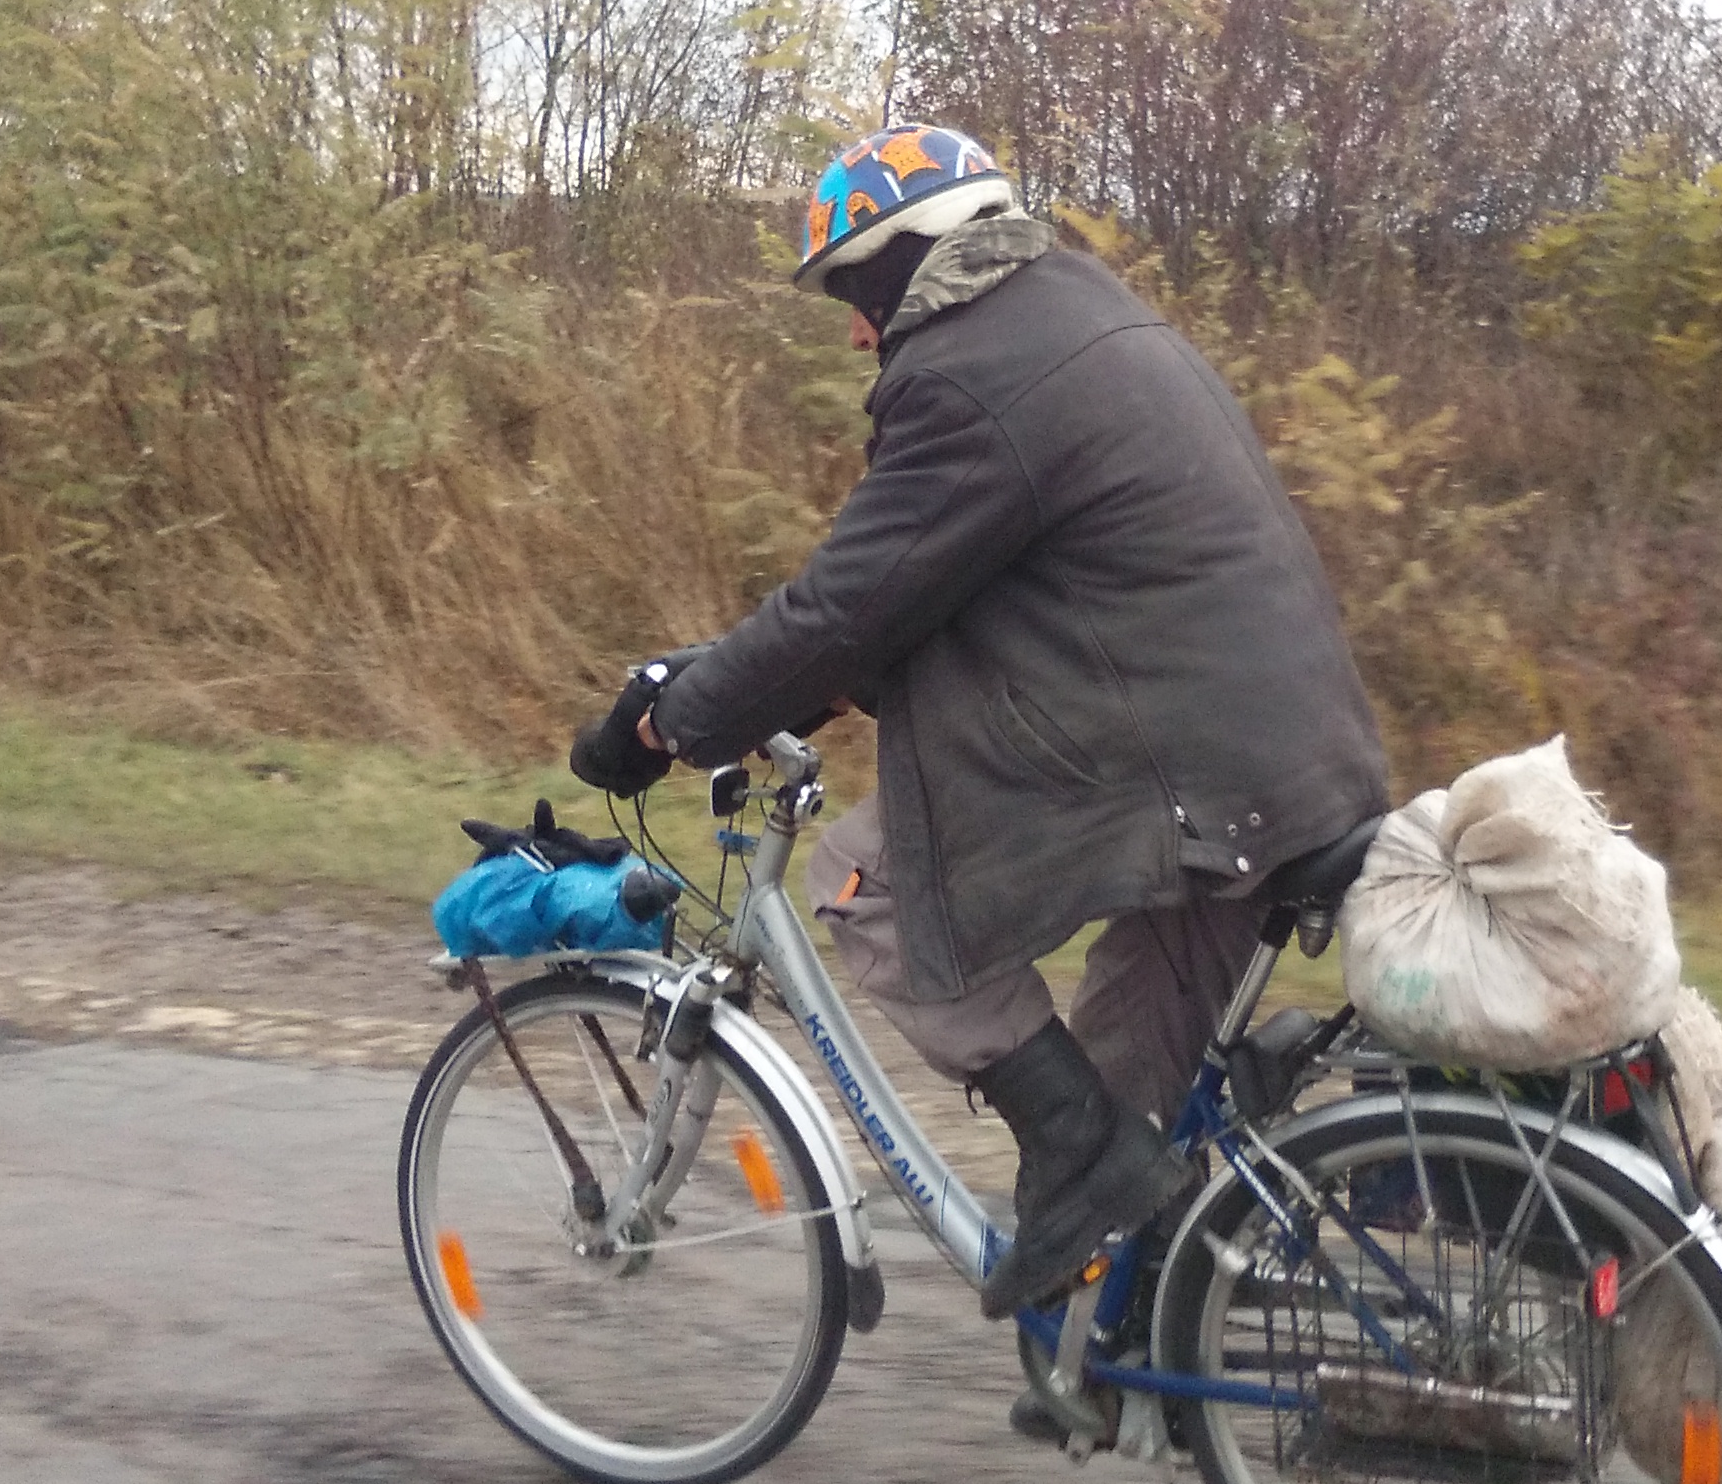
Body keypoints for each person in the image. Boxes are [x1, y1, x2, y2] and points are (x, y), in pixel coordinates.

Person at [568, 122, 1387, 1319]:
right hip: (1285, 765)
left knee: (868, 884)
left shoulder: (971, 373)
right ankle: (1133, 1349)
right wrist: (787, 678)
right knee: (1128, 1104)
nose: (855, 329)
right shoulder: (1081, 316)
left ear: (908, 257)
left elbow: (845, 608)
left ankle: (1092, 1165)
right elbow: (960, 594)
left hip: (1188, 777)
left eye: (852, 292)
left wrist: (667, 726)